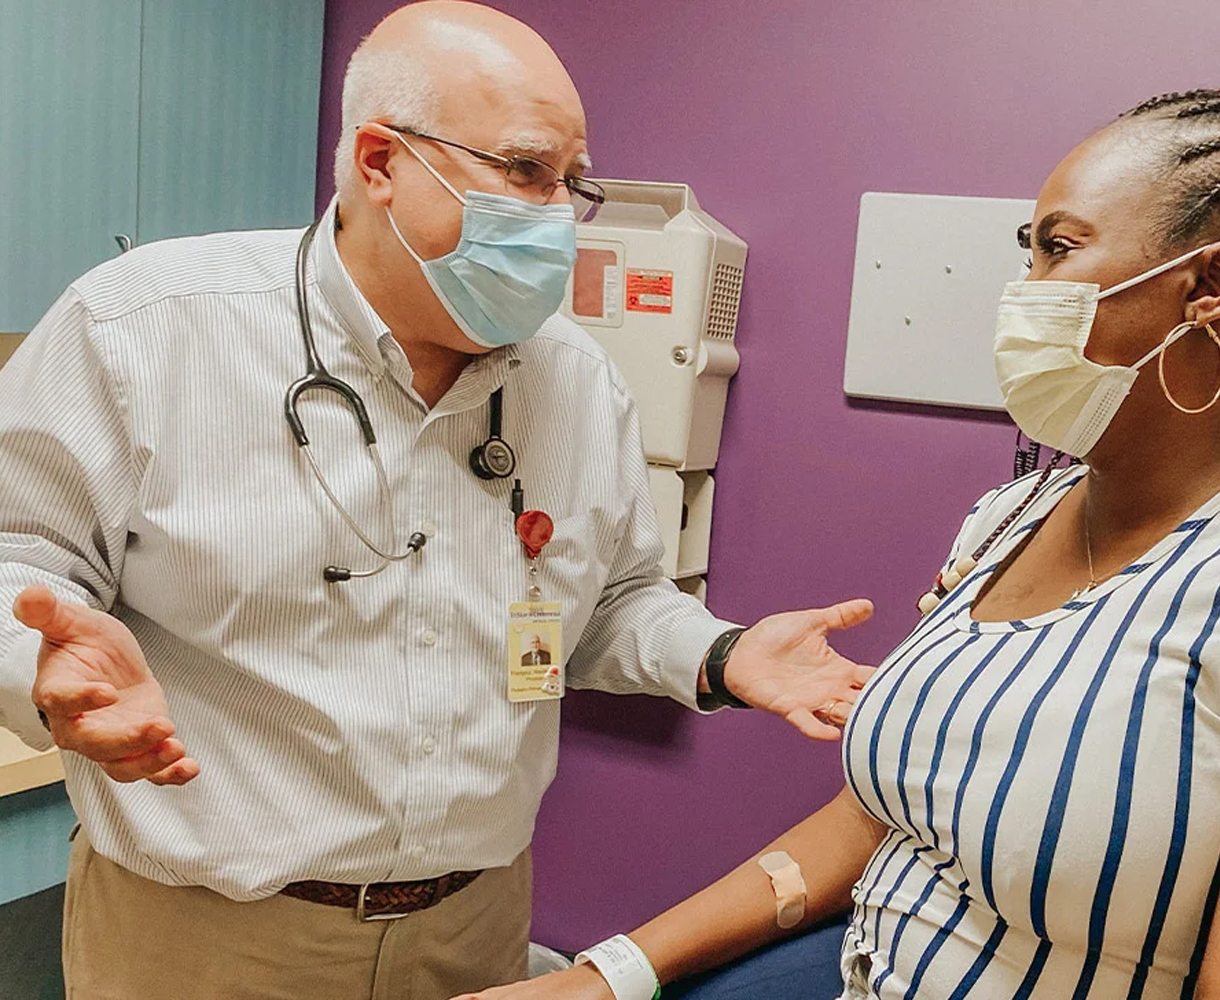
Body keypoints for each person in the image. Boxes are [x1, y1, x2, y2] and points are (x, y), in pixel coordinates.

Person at [470, 34, 1220, 1000]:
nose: (1021, 291)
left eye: (1059, 249)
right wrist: (607, 975)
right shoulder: (1011, 516)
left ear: (1208, 285)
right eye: (1025, 252)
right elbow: (876, 827)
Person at [0, 3, 875, 997]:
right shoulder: (144, 331)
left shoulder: (576, 383)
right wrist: (39, 665)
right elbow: (13, 562)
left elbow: (613, 604)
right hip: (208, 936)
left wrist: (723, 652)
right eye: (526, 172)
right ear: (380, 161)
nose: (557, 216)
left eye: (570, 183)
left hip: (475, 928)